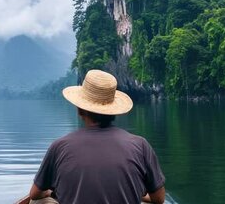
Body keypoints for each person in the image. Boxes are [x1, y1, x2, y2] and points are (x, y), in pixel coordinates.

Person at [28, 69, 166, 204]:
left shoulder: (59, 147)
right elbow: (159, 199)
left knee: (37, 202)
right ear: (113, 111)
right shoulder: (140, 145)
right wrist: (137, 193)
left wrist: (51, 193)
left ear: (79, 109)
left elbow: (34, 194)